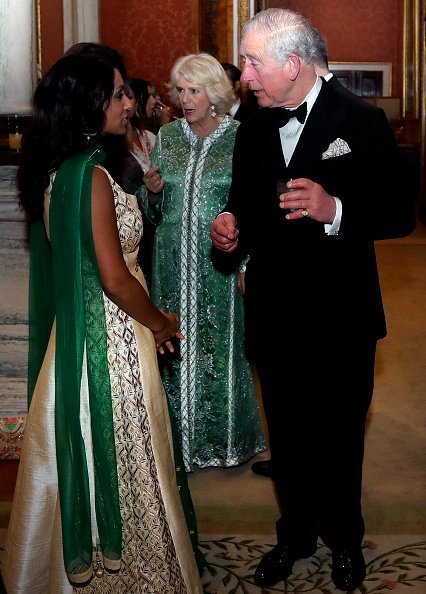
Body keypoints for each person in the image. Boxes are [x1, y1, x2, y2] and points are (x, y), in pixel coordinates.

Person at [210, 8, 415, 592]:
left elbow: (400, 215)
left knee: (341, 436)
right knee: (290, 436)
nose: (244, 76)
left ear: (291, 64)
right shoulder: (252, 127)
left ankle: (346, 542)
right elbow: (244, 202)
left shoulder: (363, 120)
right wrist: (231, 226)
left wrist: (336, 211)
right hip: (274, 312)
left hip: (341, 317)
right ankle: (294, 536)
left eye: (252, 63)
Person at [3, 52, 203, 593]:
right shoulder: (88, 177)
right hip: (112, 345)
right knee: (130, 467)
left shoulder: (62, 172)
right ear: (90, 103)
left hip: (79, 342)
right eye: (118, 93)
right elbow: (115, 279)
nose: (130, 101)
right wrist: (161, 322)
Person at [140, 53, 265, 472]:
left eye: (195, 90)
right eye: (180, 89)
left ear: (214, 94)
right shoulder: (168, 136)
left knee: (220, 347)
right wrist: (152, 193)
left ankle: (224, 441)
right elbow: (153, 215)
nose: (185, 98)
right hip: (171, 260)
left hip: (219, 262)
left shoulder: (239, 137)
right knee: (171, 344)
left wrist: (246, 261)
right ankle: (174, 444)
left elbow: (252, 205)